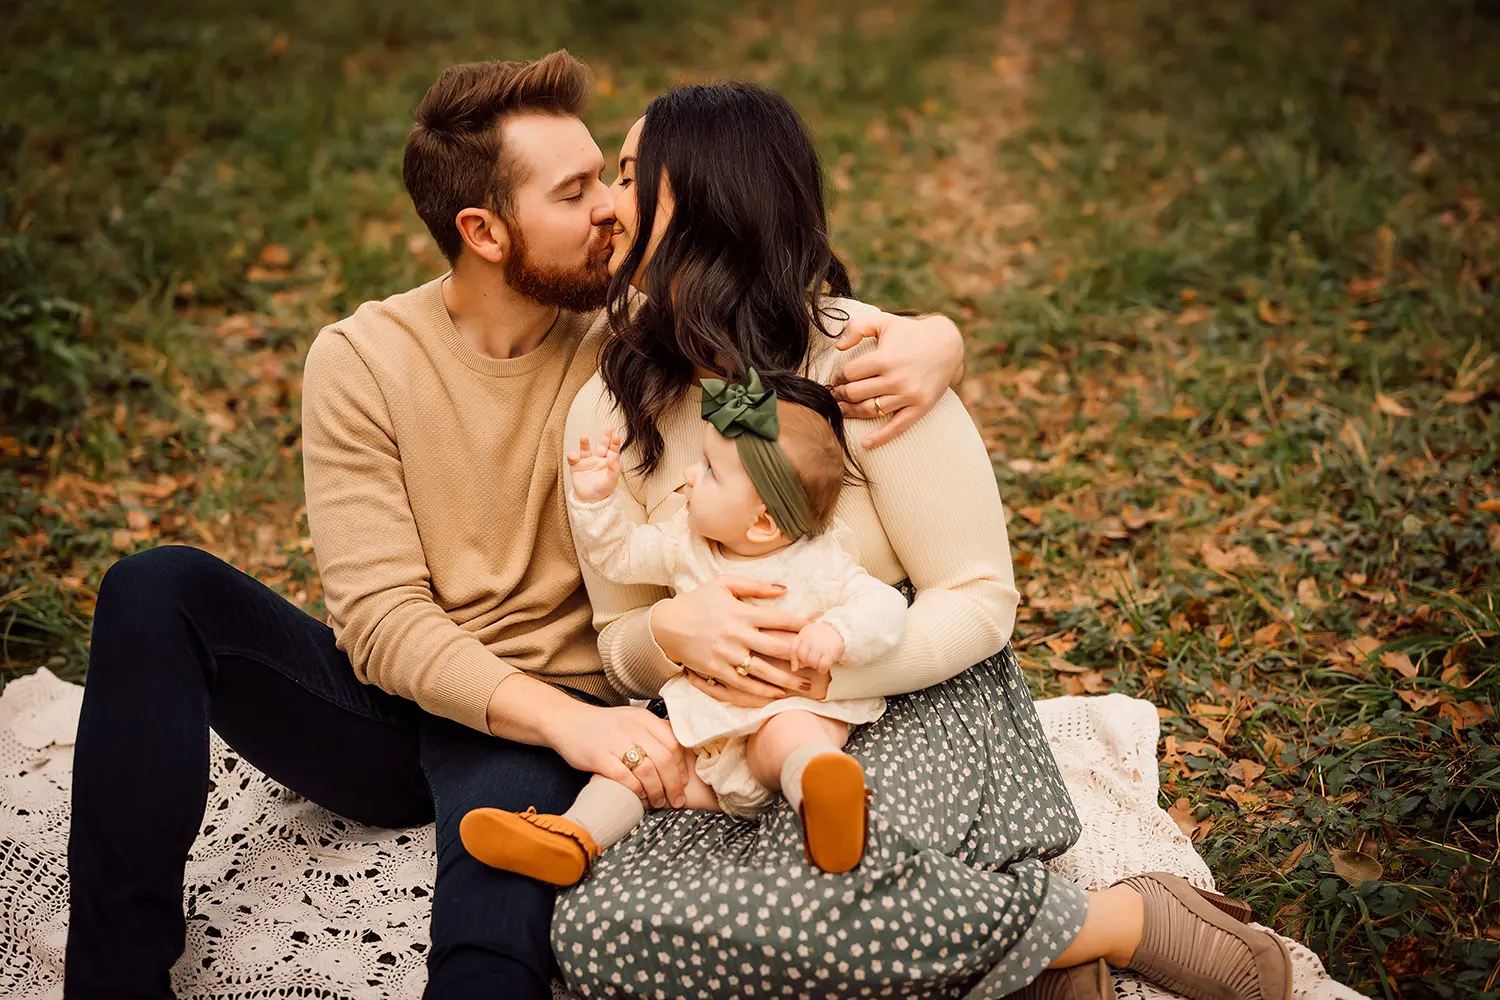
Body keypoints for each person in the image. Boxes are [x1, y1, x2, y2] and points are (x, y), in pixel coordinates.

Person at [63, 52, 968, 1000]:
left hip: (538, 727)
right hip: (415, 709)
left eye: (606, 182)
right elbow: (376, 620)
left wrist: (934, 336)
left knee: (488, 957)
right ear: (484, 230)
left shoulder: (640, 340)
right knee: (154, 587)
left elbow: (786, 319)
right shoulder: (362, 360)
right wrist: (573, 728)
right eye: (577, 192)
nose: (612, 211)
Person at [552, 82, 1295, 1000]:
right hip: (720, 734)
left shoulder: (869, 362)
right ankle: (1053, 953)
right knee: (596, 933)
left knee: (820, 898)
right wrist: (672, 637)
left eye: (629, 177)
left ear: (709, 196)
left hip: (913, 698)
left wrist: (828, 672)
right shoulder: (610, 408)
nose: (605, 206)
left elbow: (979, 594)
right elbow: (618, 637)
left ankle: (1136, 917)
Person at [461, 370, 905, 883]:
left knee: (790, 736)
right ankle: (574, 837)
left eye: (711, 470)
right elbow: (620, 557)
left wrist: (839, 634)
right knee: (639, 767)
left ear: (762, 522)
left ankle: (821, 792)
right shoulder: (683, 541)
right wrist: (595, 499)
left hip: (782, 714)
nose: (689, 475)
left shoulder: (823, 561)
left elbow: (883, 606)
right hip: (701, 739)